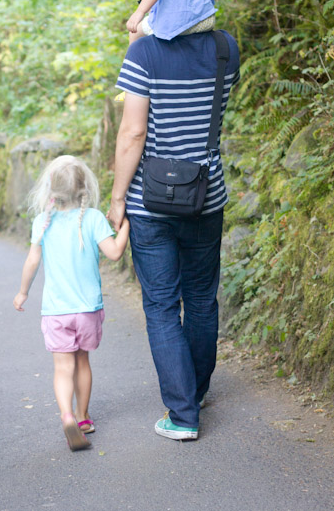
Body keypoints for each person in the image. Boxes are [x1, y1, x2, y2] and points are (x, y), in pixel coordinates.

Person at [108, 31, 240, 441]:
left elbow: (133, 133)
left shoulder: (144, 52)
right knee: (201, 298)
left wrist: (116, 198)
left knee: (163, 305)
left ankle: (183, 414)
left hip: (152, 202)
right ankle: (195, 394)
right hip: (206, 195)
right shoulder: (225, 48)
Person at [13, 155, 129, 451]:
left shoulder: (43, 221)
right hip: (87, 310)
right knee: (82, 362)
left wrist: (23, 292)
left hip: (56, 311)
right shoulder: (92, 219)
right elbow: (114, 253)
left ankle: (66, 414)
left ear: (51, 190)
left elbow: (32, 260)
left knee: (62, 367)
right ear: (84, 189)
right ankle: (82, 417)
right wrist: (125, 224)